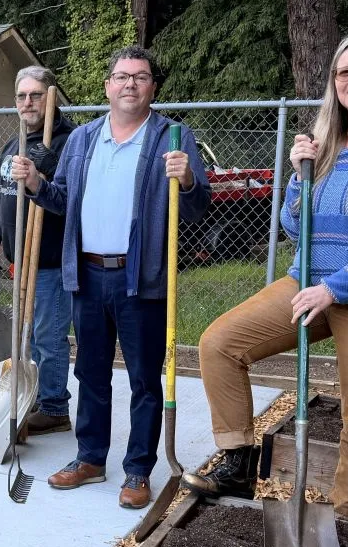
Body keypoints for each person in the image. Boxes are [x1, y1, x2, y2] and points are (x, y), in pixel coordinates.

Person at [182, 33, 348, 519]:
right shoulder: (325, 143)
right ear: (333, 84)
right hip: (310, 286)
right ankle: (239, 464)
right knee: (220, 343)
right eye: (344, 72)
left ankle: (342, 524)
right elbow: (293, 225)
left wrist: (334, 288)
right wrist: (301, 173)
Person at [11, 45, 211, 509]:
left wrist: (189, 182)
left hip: (140, 278)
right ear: (108, 86)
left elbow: (197, 210)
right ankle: (90, 458)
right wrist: (37, 184)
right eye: (121, 77)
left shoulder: (173, 138)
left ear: (152, 87)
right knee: (91, 373)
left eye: (139, 77)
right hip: (87, 274)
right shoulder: (82, 139)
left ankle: (138, 469)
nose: (129, 85)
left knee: (144, 378)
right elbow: (62, 200)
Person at [0, 66, 78, 435]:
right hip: (19, 259)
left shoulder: (69, 141)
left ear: (51, 97)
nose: (27, 102)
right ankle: (34, 397)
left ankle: (54, 408)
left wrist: (45, 169)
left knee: (47, 336)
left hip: (51, 258)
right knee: (28, 336)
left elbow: (69, 199)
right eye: (21, 96)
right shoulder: (15, 144)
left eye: (36, 95)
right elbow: (0, 198)